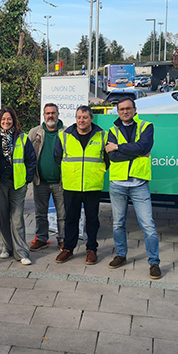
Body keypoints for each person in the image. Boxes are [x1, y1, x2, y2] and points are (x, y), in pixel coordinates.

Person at [105, 98, 161, 279]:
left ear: (135, 109)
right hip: (118, 185)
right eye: (121, 109)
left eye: (128, 108)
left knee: (148, 225)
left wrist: (120, 147)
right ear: (118, 111)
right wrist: (136, 152)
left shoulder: (146, 126)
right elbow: (113, 157)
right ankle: (121, 255)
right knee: (118, 223)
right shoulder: (112, 130)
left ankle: (154, 263)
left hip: (139, 184)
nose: (125, 111)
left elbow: (144, 146)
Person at [54, 105, 109, 265]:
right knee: (71, 218)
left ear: (91, 118)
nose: (81, 120)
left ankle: (91, 249)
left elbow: (107, 159)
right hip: (71, 185)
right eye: (79, 117)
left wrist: (98, 171)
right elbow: (58, 157)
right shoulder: (64, 135)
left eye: (85, 117)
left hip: (92, 185)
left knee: (92, 219)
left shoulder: (102, 135)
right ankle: (68, 249)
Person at [0, 107, 37, 265]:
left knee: (17, 218)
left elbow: (31, 159)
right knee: (3, 217)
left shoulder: (22, 137)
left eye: (9, 119)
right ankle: (6, 248)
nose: (6, 122)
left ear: (14, 120)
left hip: (17, 184)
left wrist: (27, 179)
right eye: (3, 120)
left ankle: (21, 252)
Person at [28, 103, 66, 251]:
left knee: (62, 214)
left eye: (53, 113)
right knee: (40, 213)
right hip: (40, 181)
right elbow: (28, 155)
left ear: (58, 114)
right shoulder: (35, 132)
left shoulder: (67, 132)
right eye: (47, 113)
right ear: (43, 115)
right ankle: (42, 238)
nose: (50, 116)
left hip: (61, 182)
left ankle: (63, 239)